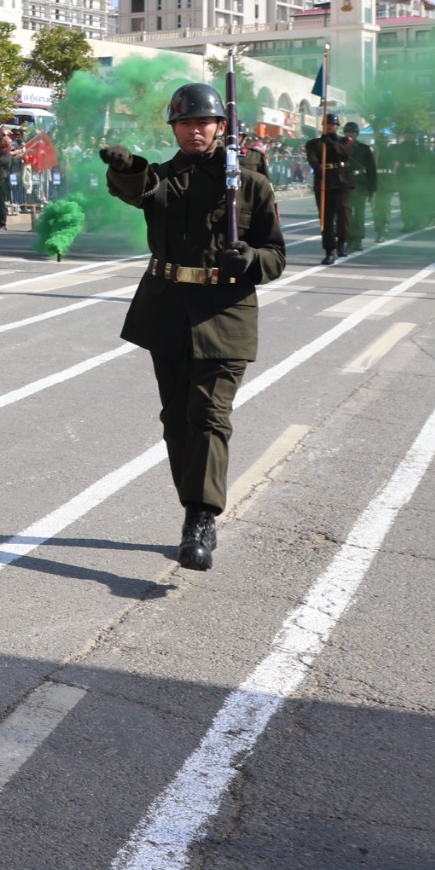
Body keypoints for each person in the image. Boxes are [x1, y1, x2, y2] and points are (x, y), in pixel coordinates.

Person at [102, 81, 286, 571]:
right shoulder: (165, 176)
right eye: (184, 122)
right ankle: (193, 501)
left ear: (220, 127)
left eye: (203, 122)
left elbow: (276, 255)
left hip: (224, 314)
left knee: (208, 416)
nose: (194, 130)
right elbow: (140, 190)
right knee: (177, 420)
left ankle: (201, 517)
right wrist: (125, 168)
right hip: (167, 311)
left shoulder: (249, 184)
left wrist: (250, 257)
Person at [305, 112, 353, 263]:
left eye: (332, 124)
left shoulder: (346, 141)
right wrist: (319, 168)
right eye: (327, 124)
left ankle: (342, 242)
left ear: (337, 126)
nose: (330, 127)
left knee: (343, 210)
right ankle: (329, 250)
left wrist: (331, 143)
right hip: (324, 182)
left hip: (343, 182)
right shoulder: (313, 143)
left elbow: (346, 152)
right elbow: (312, 159)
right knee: (326, 218)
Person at [345, 121, 377, 254]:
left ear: (357, 134)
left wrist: (372, 189)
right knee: (346, 215)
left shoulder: (364, 149)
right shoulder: (339, 148)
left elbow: (371, 170)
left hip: (360, 184)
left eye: (352, 132)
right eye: (347, 132)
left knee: (359, 214)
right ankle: (348, 239)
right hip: (344, 183)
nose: (350, 134)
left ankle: (358, 238)